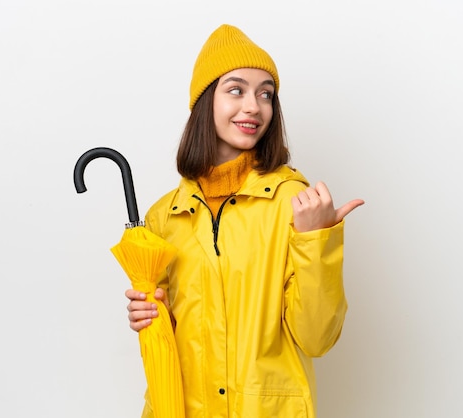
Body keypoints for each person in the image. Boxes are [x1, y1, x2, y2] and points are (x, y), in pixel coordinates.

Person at [125, 23, 364, 418]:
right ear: (205, 103)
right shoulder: (163, 216)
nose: (254, 106)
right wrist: (150, 315)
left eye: (265, 94)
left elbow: (317, 338)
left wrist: (316, 241)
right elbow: (173, 331)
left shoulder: (294, 202)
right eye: (236, 89)